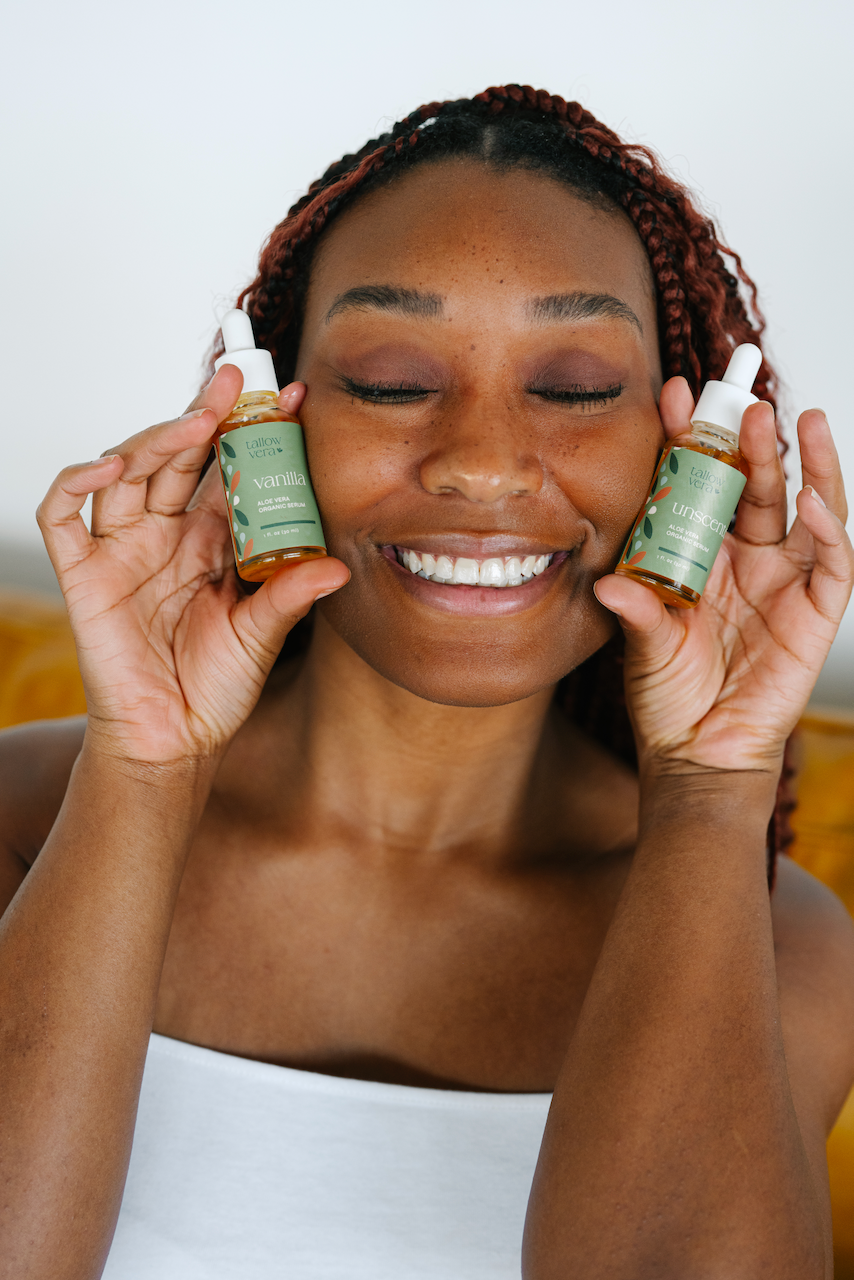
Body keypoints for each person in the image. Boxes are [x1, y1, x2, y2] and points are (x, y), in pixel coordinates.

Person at [1, 84, 853, 1280]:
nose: (481, 465)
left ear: (682, 455)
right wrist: (143, 765)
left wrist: (710, 784)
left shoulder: (777, 940)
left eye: (571, 388)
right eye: (394, 378)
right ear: (265, 422)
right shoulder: (25, 824)